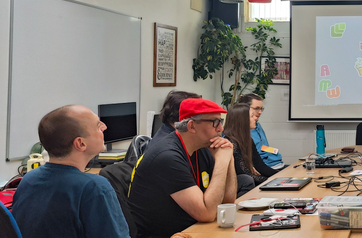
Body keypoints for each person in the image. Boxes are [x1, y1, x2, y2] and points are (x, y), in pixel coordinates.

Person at [12, 105, 130, 238]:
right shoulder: (95, 188)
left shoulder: (29, 179)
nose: (104, 127)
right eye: (98, 126)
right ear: (81, 144)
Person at [128, 98, 238, 237]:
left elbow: (227, 202)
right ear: (192, 126)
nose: (221, 129)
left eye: (220, 121)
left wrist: (230, 159)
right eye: (214, 122)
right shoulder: (167, 157)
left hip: (191, 230)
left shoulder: (202, 147)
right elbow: (207, 214)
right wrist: (222, 162)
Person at [223, 103, 279, 186]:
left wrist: (281, 176)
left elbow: (261, 166)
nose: (256, 118)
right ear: (242, 120)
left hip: (252, 181)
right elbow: (245, 174)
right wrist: (270, 181)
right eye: (252, 116)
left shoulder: (247, 140)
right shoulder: (230, 143)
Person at [240, 93, 285, 170]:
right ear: (245, 108)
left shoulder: (257, 125)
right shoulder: (238, 129)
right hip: (265, 168)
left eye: (261, 109)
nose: (260, 112)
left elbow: (264, 147)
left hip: (276, 163)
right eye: (257, 108)